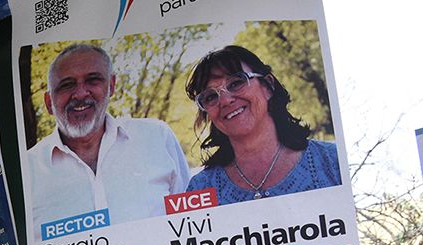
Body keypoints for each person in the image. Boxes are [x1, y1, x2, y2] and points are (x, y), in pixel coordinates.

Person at [27, 44, 190, 227]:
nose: (80, 94)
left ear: (111, 86)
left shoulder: (157, 137)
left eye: (93, 80)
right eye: (67, 85)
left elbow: (190, 222)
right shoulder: (26, 171)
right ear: (49, 102)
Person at [185, 45, 341, 203]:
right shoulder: (199, 190)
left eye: (236, 83)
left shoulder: (333, 161)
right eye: (210, 97)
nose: (225, 100)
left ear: (268, 86)